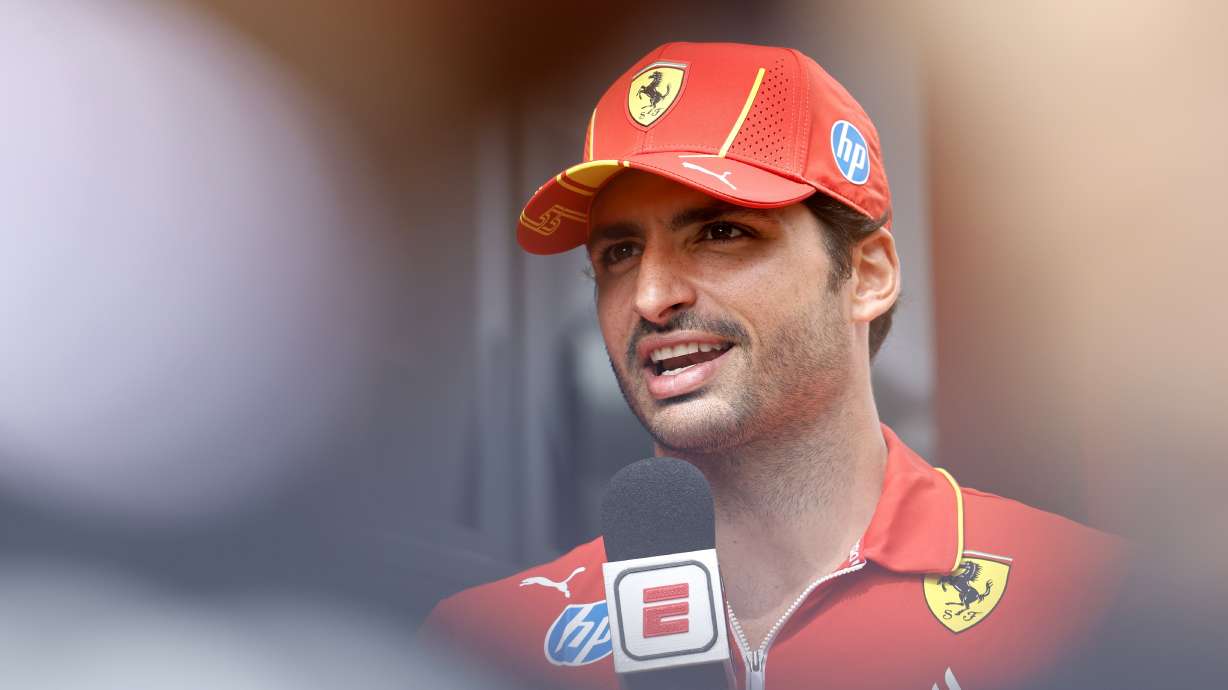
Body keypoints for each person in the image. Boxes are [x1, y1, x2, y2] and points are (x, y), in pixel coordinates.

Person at [419, 42, 1124, 690]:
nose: (653, 296)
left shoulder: (1089, 603)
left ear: (869, 274)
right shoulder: (485, 647)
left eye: (722, 233)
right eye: (619, 253)